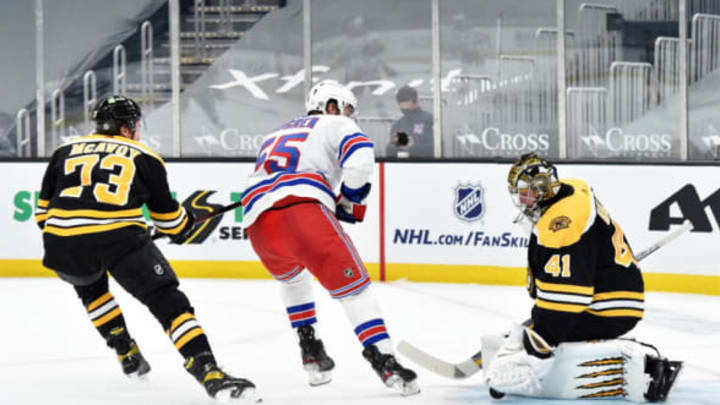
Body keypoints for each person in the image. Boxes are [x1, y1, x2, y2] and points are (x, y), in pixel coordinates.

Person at [35, 95, 259, 403]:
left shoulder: (63, 151)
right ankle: (208, 370)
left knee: (91, 289)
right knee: (167, 301)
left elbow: (42, 214)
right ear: (126, 128)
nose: (137, 131)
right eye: (135, 125)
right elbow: (169, 220)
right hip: (118, 237)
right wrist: (184, 224)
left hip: (60, 241)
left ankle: (123, 347)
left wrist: (78, 235)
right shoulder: (144, 155)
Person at [242, 81, 420, 396]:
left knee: (293, 281)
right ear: (332, 105)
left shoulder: (276, 133)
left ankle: (310, 351)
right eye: (347, 109)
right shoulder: (335, 122)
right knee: (356, 292)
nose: (350, 116)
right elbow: (361, 158)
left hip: (258, 223)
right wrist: (349, 198)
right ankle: (384, 359)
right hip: (302, 211)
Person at [482, 152, 682, 402]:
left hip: (606, 307)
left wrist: (537, 348)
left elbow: (565, 302)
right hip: (605, 293)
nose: (522, 200)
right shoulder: (571, 191)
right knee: (533, 332)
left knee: (536, 340)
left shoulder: (562, 224)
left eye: (526, 192)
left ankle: (647, 366)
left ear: (543, 188)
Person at [386, 85, 434, 158]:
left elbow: (437, 148)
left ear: (416, 102)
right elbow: (389, 151)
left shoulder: (430, 120)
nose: (407, 113)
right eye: (403, 110)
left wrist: (413, 147)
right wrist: (397, 146)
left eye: (408, 110)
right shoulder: (397, 125)